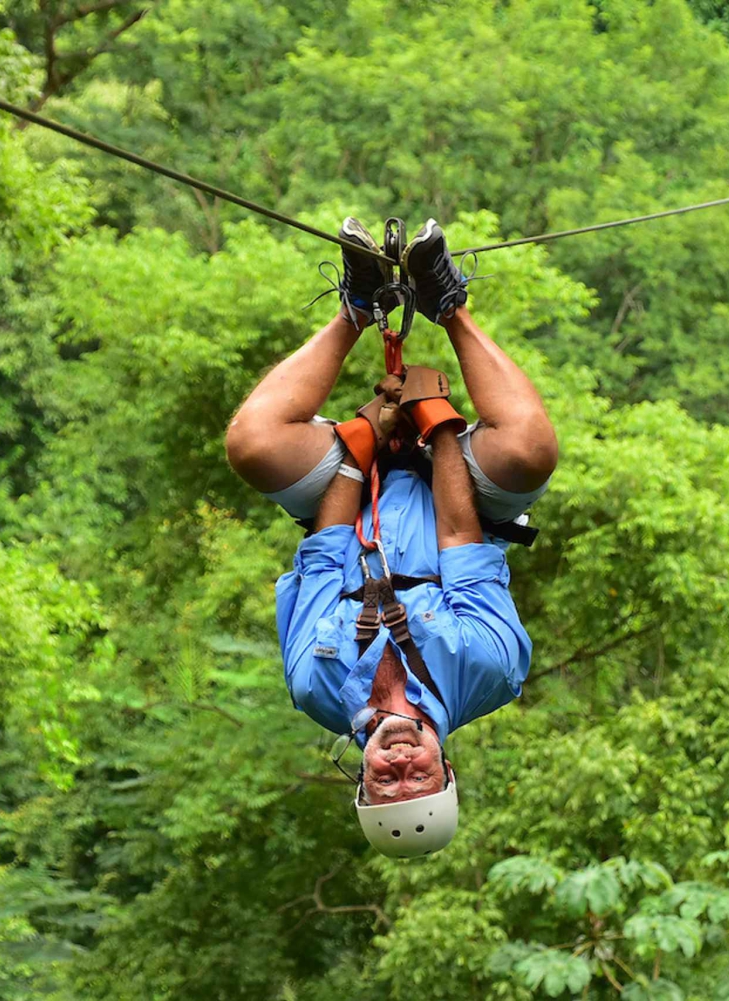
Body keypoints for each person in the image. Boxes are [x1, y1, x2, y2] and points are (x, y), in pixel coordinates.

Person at [224, 218, 557, 857]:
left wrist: (363, 442)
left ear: (360, 783)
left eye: (387, 782)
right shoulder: (487, 673)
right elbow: (461, 538)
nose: (401, 762)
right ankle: (447, 304)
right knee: (530, 451)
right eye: (419, 777)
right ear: (445, 768)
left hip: (349, 503)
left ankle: (357, 304)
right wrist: (435, 420)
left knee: (252, 445)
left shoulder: (315, 685)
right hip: (457, 497)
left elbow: (324, 549)